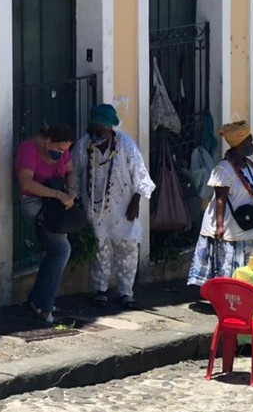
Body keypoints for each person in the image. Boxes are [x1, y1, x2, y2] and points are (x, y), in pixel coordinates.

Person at [72, 104, 155, 308]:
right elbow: (74, 174)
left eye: (98, 131)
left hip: (124, 208)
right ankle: (99, 290)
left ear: (110, 130)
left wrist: (136, 201)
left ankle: (125, 292)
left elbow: (141, 174)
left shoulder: (126, 145)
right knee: (99, 249)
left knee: (127, 249)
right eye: (90, 130)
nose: (94, 135)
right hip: (93, 208)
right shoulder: (83, 146)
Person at [187, 121, 253, 285]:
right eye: (249, 141)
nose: (252, 145)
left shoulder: (248, 165)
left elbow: (251, 187)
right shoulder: (224, 169)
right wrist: (220, 226)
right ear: (239, 144)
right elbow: (220, 198)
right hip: (236, 227)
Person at [16, 123, 77, 324]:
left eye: (66, 150)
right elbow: (26, 183)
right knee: (61, 249)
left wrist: (71, 190)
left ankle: (37, 300)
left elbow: (70, 171)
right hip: (36, 202)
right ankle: (43, 304)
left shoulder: (62, 153)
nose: (62, 153)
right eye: (60, 149)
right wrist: (58, 194)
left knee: (55, 251)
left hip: (55, 203)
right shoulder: (29, 149)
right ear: (48, 141)